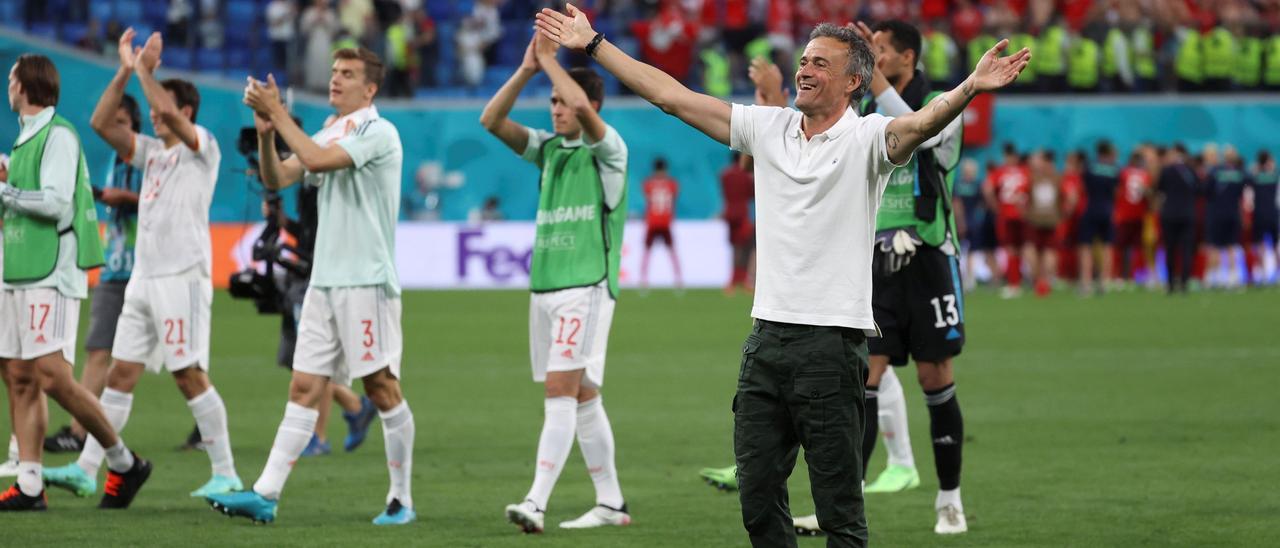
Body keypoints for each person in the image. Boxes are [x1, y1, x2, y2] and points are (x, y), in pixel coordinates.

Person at [534, 5, 1028, 544]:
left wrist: (970, 87)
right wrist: (594, 44)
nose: (804, 69)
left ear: (852, 81)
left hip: (832, 347)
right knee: (757, 496)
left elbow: (919, 123)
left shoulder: (868, 140)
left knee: (840, 507)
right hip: (765, 341)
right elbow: (670, 96)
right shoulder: (767, 128)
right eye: (804, 59)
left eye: (820, 62)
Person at [206, 47, 417, 526]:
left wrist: (278, 113)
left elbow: (318, 162)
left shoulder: (378, 131)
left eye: (348, 75)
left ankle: (401, 499)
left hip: (367, 280)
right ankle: (265, 494)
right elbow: (277, 175)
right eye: (335, 72)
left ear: (371, 88)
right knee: (303, 386)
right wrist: (266, 135)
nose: (336, 80)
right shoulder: (329, 129)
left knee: (381, 387)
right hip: (324, 280)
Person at [43, 30, 241, 500]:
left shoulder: (202, 148)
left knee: (187, 373)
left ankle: (226, 471)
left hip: (182, 277)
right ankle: (88, 467)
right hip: (143, 280)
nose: (152, 111)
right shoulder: (151, 153)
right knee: (120, 374)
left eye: (161, 105)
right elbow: (99, 122)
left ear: (187, 112)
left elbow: (167, 111)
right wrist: (127, 69)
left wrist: (147, 70)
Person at [481, 32, 631, 534]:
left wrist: (553, 65)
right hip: (544, 287)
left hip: (585, 288)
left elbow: (588, 118)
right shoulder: (548, 151)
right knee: (583, 395)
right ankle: (610, 502)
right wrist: (529, 69)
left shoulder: (609, 153)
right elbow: (491, 121)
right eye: (550, 103)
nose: (555, 109)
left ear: (587, 104)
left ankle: (536, 501)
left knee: (560, 390)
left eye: (562, 101)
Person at [0, 53, 152, 511]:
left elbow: (55, 203)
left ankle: (124, 461)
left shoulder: (58, 135)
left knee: (52, 375)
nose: (7, 86)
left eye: (11, 79)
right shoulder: (26, 140)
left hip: (51, 269)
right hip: (18, 268)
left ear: (25, 86)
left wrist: (4, 189)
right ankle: (30, 484)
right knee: (18, 375)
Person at [43, 94, 143, 455]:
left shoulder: (151, 158)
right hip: (115, 268)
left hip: (150, 271)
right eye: (112, 122)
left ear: (134, 124)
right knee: (98, 349)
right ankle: (78, 430)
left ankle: (205, 424)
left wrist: (128, 199)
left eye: (122, 121)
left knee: (184, 362)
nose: (116, 128)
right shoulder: (114, 161)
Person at [984, 143, 1029, 298]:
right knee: (1025, 248)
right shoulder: (1025, 172)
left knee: (1010, 249)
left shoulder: (999, 172)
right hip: (1023, 215)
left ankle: (1013, 284)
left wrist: (996, 207)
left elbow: (987, 189)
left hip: (1007, 215)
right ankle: (1033, 281)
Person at [1155, 144, 1198, 294]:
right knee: (1186, 250)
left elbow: (1159, 190)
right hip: (1187, 214)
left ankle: (1171, 283)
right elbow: (1198, 189)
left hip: (1170, 214)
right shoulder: (1190, 171)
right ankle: (1184, 282)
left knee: (1170, 249)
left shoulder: (1166, 171)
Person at [1078, 140, 1119, 295]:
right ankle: (1104, 281)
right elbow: (1117, 191)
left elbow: (1083, 187)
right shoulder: (1114, 169)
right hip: (1108, 210)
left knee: (1086, 247)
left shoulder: (1089, 167)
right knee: (1108, 246)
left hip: (1091, 209)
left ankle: (1086, 283)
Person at [1205, 146, 1248, 289]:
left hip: (1217, 214)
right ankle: (1233, 278)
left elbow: (1207, 191)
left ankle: (1213, 279)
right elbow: (1243, 192)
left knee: (1215, 246)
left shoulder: (1215, 172)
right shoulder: (1240, 173)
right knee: (1231, 246)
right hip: (1233, 213)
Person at [641, 157, 681, 289]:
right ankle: (678, 280)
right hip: (665, 221)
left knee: (647, 251)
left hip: (652, 221)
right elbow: (674, 200)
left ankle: (643, 281)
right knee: (671, 251)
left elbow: (648, 200)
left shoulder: (648, 184)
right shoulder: (672, 184)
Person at [1026, 150, 1062, 297]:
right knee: (1050, 250)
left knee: (1031, 248)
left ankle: (1037, 280)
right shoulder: (1057, 177)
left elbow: (1022, 197)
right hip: (1052, 218)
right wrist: (1062, 212)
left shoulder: (1033, 177)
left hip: (1035, 218)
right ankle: (1046, 280)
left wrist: (1025, 212)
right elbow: (1069, 197)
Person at [1114, 150, 1153, 284]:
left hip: (1124, 215)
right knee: (1137, 247)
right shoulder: (1145, 175)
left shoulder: (1124, 173)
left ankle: (1123, 275)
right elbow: (1148, 194)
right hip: (1138, 215)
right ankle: (1137, 275)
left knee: (1123, 247)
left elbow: (1117, 191)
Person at [720, 151, 755, 294]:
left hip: (729, 213)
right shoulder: (745, 176)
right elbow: (751, 194)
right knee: (746, 247)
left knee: (735, 247)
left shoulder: (724, 175)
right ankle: (744, 280)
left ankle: (733, 281)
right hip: (743, 214)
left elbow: (725, 193)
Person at [1249, 151, 1278, 284]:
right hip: (1273, 214)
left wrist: (1255, 170)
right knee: (1274, 245)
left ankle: (1261, 274)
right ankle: (1276, 273)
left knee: (1260, 244)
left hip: (1259, 214)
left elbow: (1247, 181)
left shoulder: (1255, 177)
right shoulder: (1274, 176)